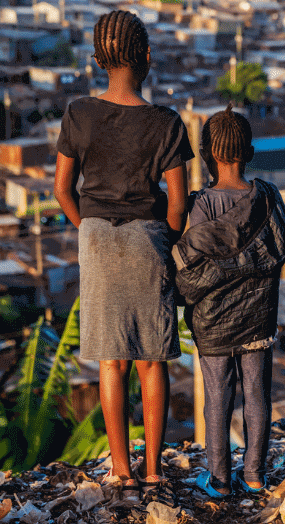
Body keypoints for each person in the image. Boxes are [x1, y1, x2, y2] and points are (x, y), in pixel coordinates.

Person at [53, 10, 193, 498]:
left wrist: (89, 229)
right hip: (148, 239)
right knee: (153, 360)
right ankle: (153, 470)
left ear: (97, 61)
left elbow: (62, 189)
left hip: (96, 239)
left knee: (111, 362)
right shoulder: (166, 123)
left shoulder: (78, 112)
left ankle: (121, 470)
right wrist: (165, 241)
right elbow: (178, 202)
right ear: (147, 58)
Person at [173, 105, 285, 497]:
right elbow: (276, 252)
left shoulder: (202, 204)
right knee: (257, 393)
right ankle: (255, 474)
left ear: (207, 153)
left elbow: (197, 264)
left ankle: (219, 479)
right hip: (259, 315)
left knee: (217, 398)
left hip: (212, 320)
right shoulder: (269, 198)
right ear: (250, 152)